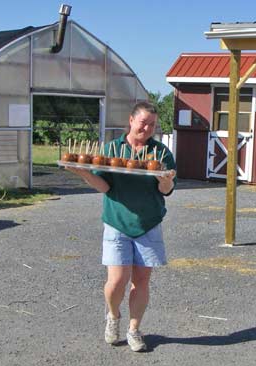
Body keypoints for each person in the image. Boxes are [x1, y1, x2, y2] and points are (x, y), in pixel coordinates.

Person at [66, 101, 176, 352]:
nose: (147, 128)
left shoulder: (160, 153)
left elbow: (167, 190)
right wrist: (82, 172)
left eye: (152, 125)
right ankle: (113, 316)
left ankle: (134, 330)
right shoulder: (112, 149)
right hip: (117, 222)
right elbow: (104, 187)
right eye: (143, 122)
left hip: (148, 223)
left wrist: (164, 180)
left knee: (141, 281)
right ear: (131, 120)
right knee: (116, 280)